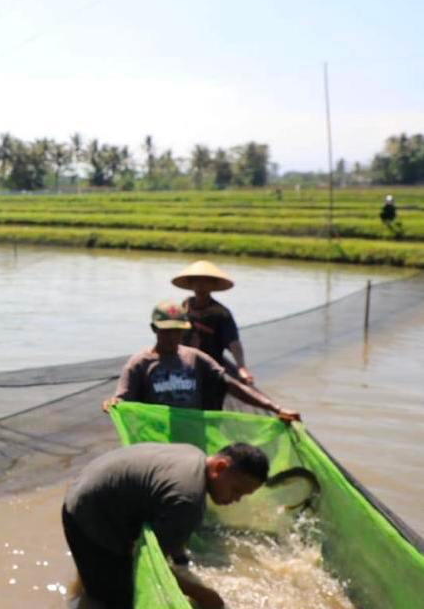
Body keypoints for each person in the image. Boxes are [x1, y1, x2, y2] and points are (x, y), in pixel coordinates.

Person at [63, 441, 270, 609]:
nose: (236, 499)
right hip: (87, 516)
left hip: (85, 486)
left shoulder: (193, 453)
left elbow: (170, 518)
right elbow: (154, 567)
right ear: (220, 467)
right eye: (236, 490)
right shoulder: (188, 499)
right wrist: (205, 595)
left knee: (96, 581)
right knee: (117, 599)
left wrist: (180, 560)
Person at [102, 300, 299, 421]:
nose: (172, 336)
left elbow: (232, 386)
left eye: (177, 331)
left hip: (193, 438)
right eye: (167, 331)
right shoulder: (139, 364)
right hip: (156, 441)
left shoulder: (195, 359)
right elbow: (122, 399)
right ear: (154, 329)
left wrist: (277, 408)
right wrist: (113, 403)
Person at [172, 260, 253, 409]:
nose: (200, 285)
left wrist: (241, 367)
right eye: (197, 281)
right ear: (191, 283)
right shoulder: (185, 306)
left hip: (209, 369)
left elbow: (233, 343)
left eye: (205, 281)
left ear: (213, 285)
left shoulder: (221, 313)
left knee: (209, 407)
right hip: (183, 367)